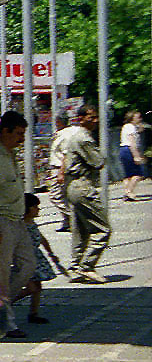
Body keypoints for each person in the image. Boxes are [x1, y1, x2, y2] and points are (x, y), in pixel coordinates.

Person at [0, 110, 33, 336]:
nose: (22, 138)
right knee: (0, 272)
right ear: (5, 131)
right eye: (18, 133)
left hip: (16, 220)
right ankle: (4, 322)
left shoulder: (10, 154)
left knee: (28, 265)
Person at [55, 105, 110, 283]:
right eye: (91, 117)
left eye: (96, 117)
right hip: (82, 186)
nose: (95, 121)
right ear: (81, 118)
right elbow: (98, 161)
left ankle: (76, 265)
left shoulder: (75, 136)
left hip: (73, 186)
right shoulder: (83, 138)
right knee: (103, 229)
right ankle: (87, 266)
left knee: (81, 230)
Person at [19, 193, 60, 324]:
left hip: (36, 258)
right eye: (35, 206)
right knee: (31, 288)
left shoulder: (32, 223)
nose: (38, 209)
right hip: (25, 258)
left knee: (37, 287)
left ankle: (34, 313)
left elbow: (42, 239)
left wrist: (51, 253)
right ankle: (5, 303)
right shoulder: (20, 225)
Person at [47, 114, 72, 231]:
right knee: (63, 196)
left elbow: (66, 155)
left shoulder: (66, 135)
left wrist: (61, 172)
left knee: (55, 196)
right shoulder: (59, 134)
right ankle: (67, 222)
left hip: (59, 168)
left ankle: (73, 217)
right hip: (55, 167)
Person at [119, 110, 147, 200]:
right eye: (138, 117)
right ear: (132, 118)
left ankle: (127, 192)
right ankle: (129, 192)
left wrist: (139, 129)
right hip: (129, 150)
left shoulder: (127, 126)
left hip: (123, 149)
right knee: (138, 174)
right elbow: (132, 142)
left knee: (128, 175)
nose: (140, 119)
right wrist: (136, 156)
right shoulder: (131, 127)